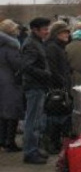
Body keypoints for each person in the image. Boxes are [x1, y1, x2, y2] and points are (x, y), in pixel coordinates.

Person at [21, 17, 53, 164]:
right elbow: (27, 67)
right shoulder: (31, 45)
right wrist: (45, 74)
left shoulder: (37, 42)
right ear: (35, 29)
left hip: (38, 85)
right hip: (34, 86)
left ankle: (34, 148)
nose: (47, 32)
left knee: (37, 120)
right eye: (45, 29)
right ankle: (30, 152)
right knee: (32, 121)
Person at [45, 21, 72, 154]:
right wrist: (61, 82)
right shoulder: (52, 47)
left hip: (62, 85)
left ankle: (56, 142)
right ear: (57, 34)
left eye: (67, 32)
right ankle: (52, 142)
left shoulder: (60, 47)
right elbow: (53, 68)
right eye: (64, 32)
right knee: (55, 116)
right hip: (56, 88)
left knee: (62, 115)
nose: (67, 34)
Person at [0, 19, 24, 153]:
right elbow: (17, 65)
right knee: (12, 114)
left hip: (2, 82)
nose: (18, 31)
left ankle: (2, 140)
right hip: (10, 82)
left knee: (2, 114)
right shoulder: (12, 46)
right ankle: (10, 142)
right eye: (15, 28)